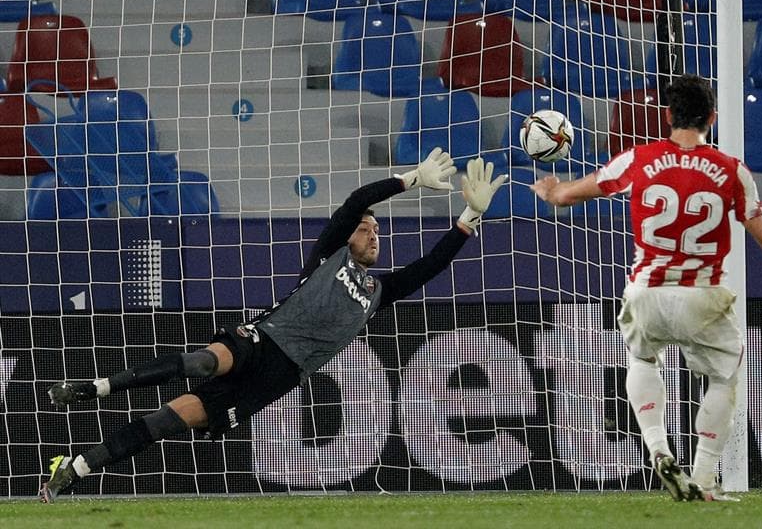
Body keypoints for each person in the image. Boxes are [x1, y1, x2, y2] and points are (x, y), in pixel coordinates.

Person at [40, 150, 507, 503]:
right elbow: (358, 199)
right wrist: (410, 180)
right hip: (263, 339)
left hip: (278, 379)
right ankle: (94, 388)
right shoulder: (329, 255)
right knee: (204, 362)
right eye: (366, 229)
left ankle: (75, 467)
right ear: (347, 236)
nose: (373, 234)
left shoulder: (378, 294)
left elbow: (429, 267)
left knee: (169, 420)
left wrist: (470, 216)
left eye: (378, 232)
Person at [530, 74, 762, 502]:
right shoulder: (730, 170)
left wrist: (553, 189)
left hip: (646, 289)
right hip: (701, 295)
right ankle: (704, 477)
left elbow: (569, 196)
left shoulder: (638, 159)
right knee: (726, 377)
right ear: (713, 118)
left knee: (642, 359)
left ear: (668, 117)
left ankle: (658, 449)